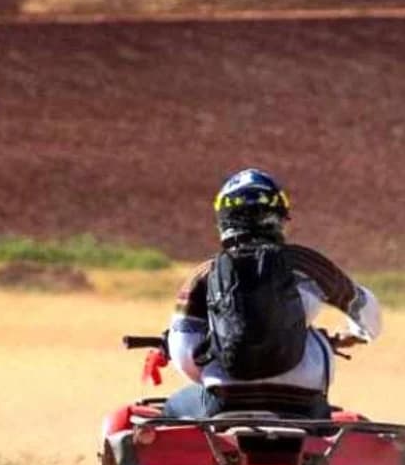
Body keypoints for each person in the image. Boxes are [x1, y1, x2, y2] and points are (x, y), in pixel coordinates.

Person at [162, 169, 383, 420]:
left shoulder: (205, 274)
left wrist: (220, 376)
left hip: (225, 401)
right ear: (280, 216)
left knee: (171, 409)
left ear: (223, 219)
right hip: (304, 401)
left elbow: (183, 352)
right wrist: (355, 335)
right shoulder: (308, 264)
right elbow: (369, 314)